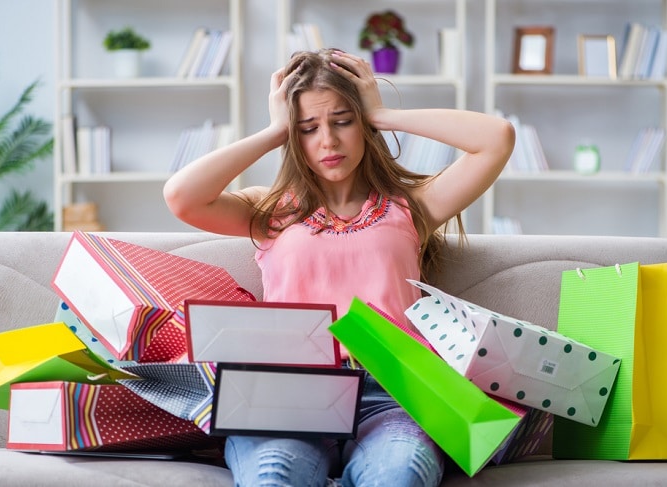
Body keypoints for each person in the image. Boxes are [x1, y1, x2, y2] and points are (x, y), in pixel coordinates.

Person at [164, 48, 515, 487]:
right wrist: (276, 130)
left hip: (394, 395)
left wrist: (382, 114)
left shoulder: (411, 207)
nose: (327, 141)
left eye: (343, 121)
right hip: (286, 393)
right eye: (308, 128)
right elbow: (181, 196)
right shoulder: (269, 210)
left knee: (402, 474)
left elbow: (497, 137)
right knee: (273, 477)